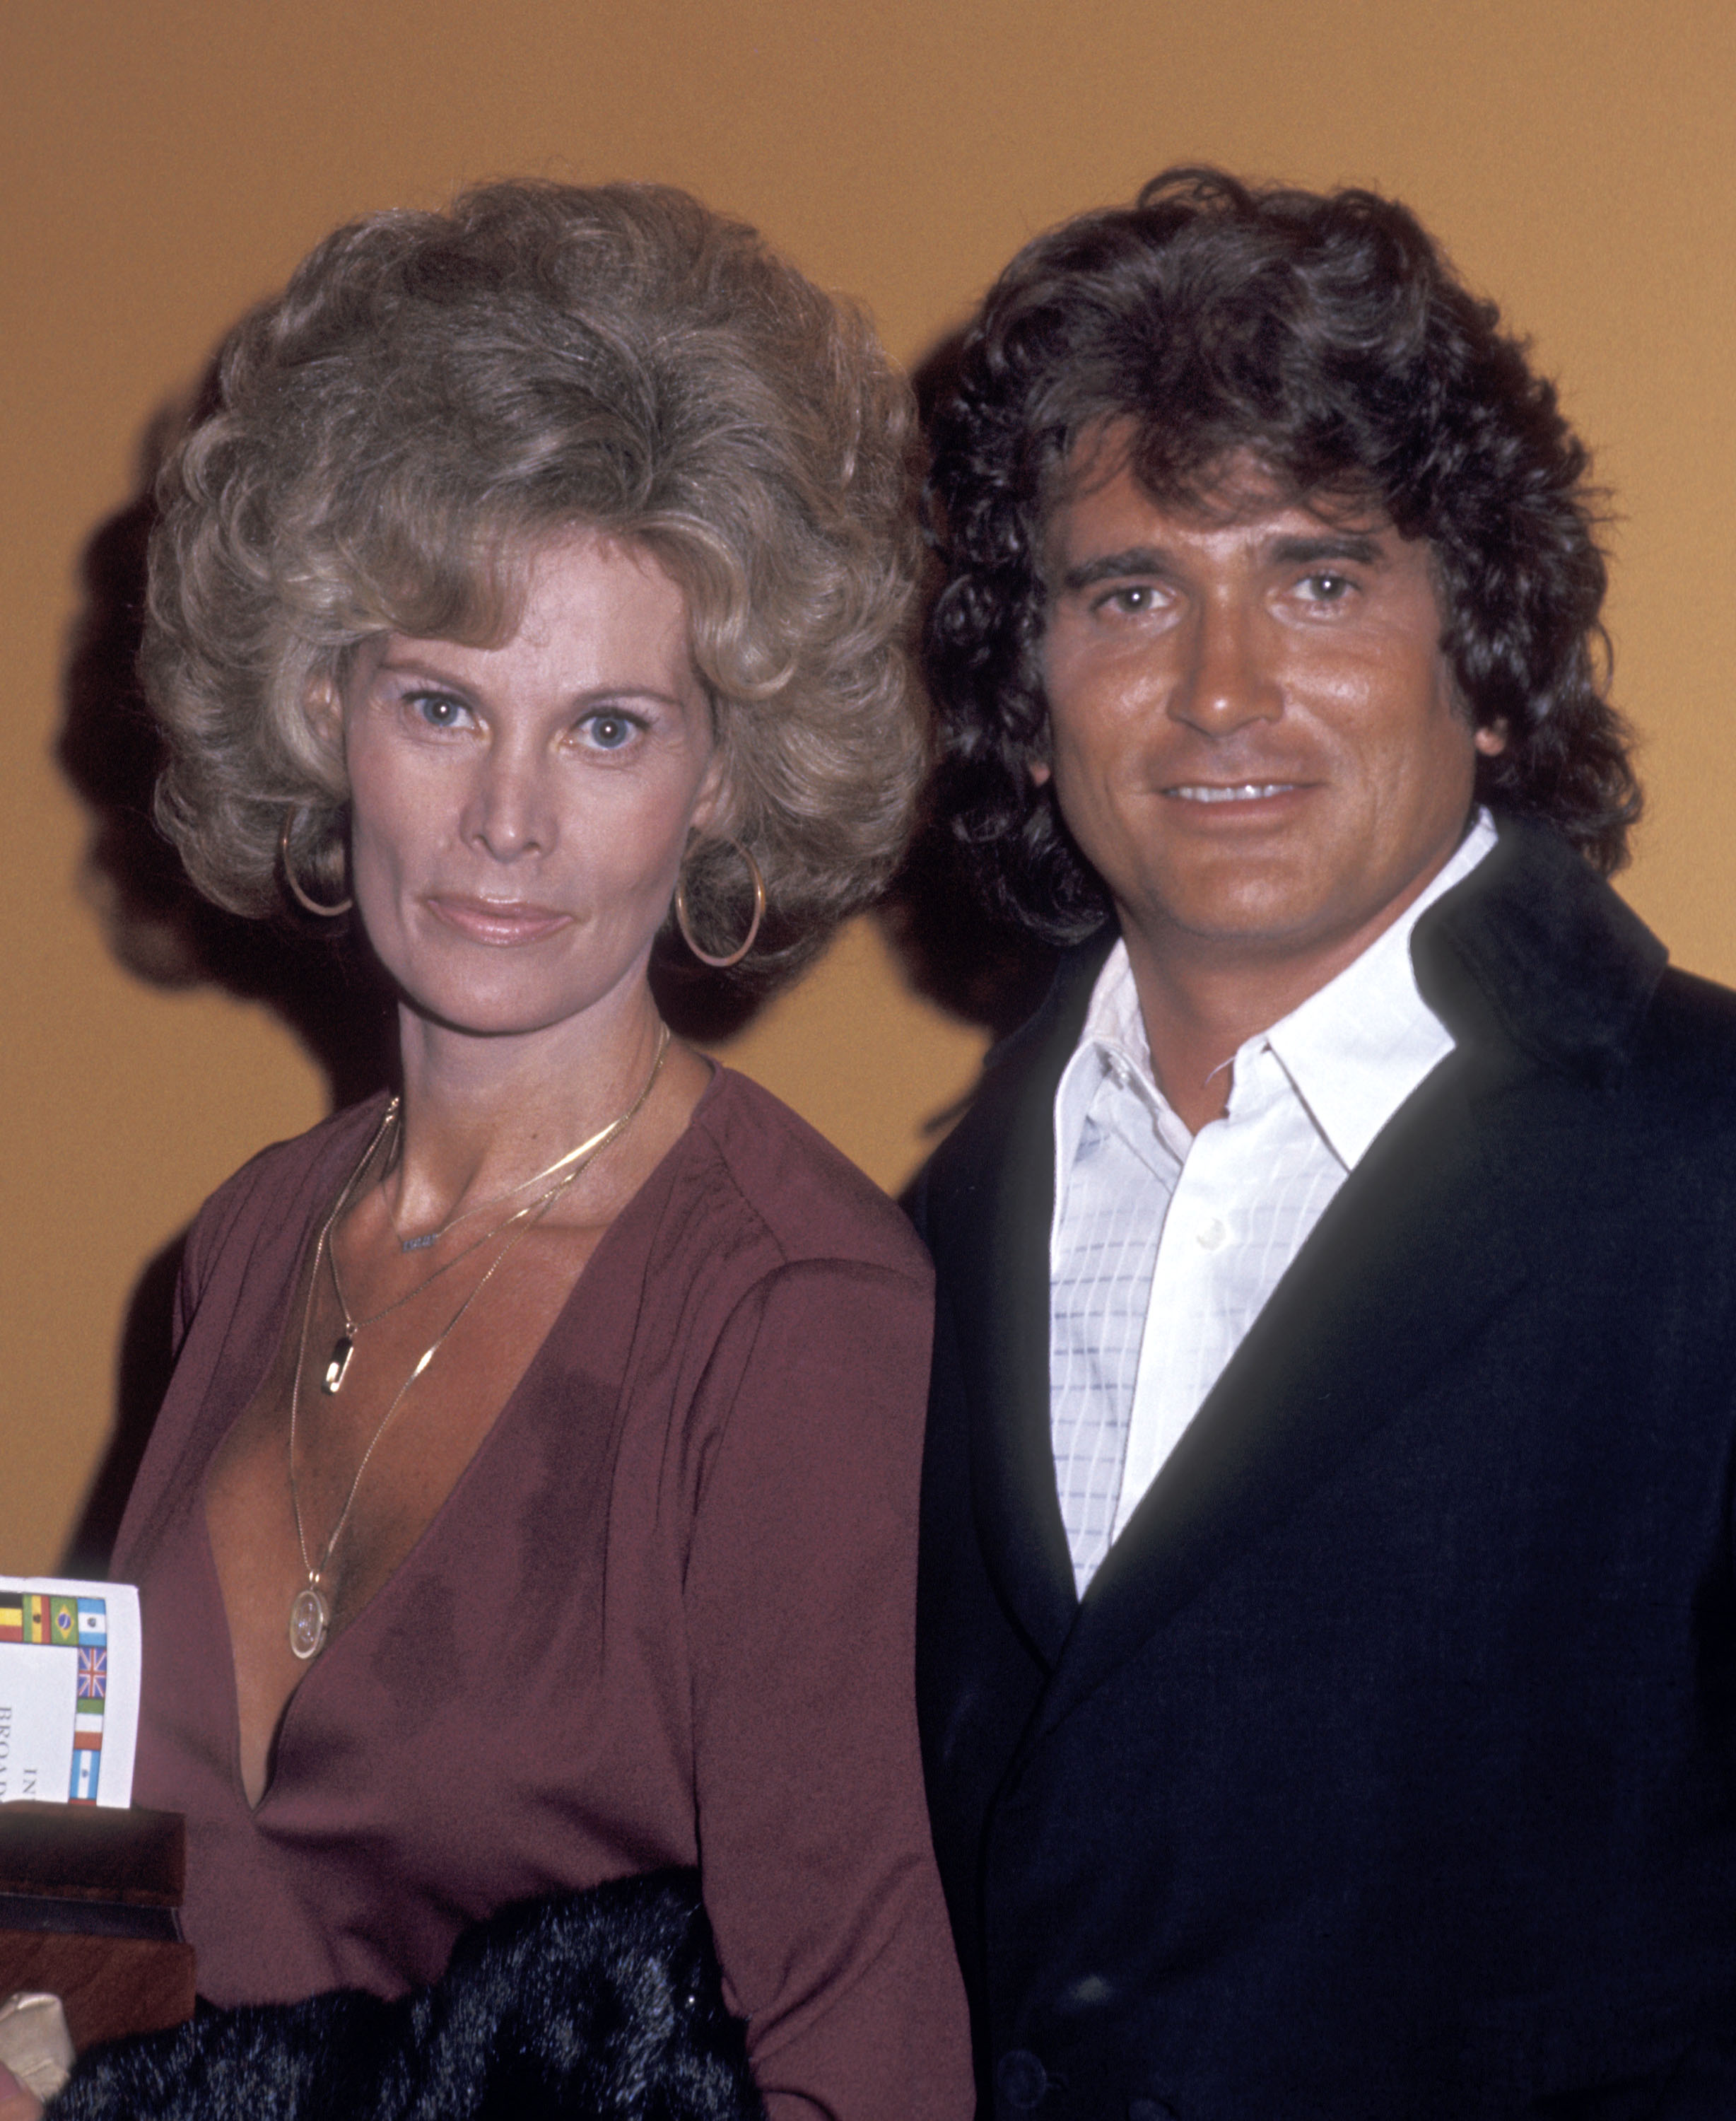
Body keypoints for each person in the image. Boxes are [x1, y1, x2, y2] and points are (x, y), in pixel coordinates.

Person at [0, 181, 973, 2121]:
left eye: (608, 729)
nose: (508, 820)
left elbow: (865, 2046)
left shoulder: (793, 1309)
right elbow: (100, 1871)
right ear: (319, 714)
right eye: (443, 704)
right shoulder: (254, 1240)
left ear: (720, 784)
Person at [910, 167, 1736, 2117]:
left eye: (1320, 576)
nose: (1220, 691)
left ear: (1493, 647)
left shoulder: (1712, 1176)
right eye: (1131, 592)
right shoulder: (901, 1250)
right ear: (1030, 698)